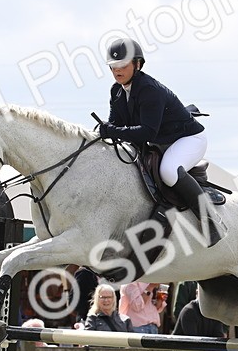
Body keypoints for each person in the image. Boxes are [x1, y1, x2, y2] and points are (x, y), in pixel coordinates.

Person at [95, 37, 224, 245]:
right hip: (160, 143)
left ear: (137, 64)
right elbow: (115, 126)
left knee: (169, 171)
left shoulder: (149, 90)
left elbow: (146, 132)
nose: (117, 70)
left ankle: (210, 221)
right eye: (113, 66)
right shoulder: (116, 91)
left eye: (122, 65)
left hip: (188, 139)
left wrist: (111, 130)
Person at [119, 281, 165, 351]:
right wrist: (150, 287)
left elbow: (155, 309)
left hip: (153, 329)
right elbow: (137, 306)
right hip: (137, 330)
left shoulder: (147, 281)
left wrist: (159, 300)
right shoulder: (129, 283)